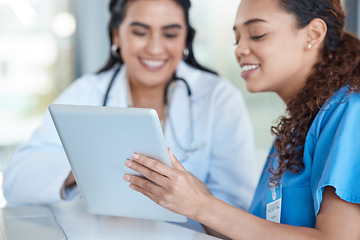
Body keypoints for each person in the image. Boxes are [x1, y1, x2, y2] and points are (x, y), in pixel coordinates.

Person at [3, 0, 256, 230]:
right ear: (117, 35)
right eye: (140, 32)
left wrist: (195, 201)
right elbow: (15, 180)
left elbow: (236, 208)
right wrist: (82, 167)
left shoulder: (219, 98)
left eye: (170, 33)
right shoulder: (88, 91)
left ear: (185, 39)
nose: (155, 47)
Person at [123, 0, 360, 239]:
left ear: (314, 33)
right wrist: (195, 196)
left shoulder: (350, 109)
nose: (239, 50)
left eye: (257, 34)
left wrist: (203, 205)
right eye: (237, 39)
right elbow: (254, 232)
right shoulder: (294, 128)